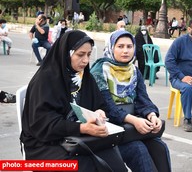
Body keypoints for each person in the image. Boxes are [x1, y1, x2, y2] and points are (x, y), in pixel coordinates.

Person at [20, 30, 127, 171]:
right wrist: (82, 128)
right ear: (66, 53)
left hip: (79, 140)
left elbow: (101, 105)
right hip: (44, 145)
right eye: (80, 55)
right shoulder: (46, 80)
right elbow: (43, 125)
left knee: (113, 162)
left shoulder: (84, 77)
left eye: (88, 55)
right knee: (87, 166)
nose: (86, 60)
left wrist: (100, 112)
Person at [91, 30, 171, 172]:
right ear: (111, 47)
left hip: (131, 127)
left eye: (129, 46)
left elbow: (143, 99)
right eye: (120, 46)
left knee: (160, 147)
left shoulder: (133, 70)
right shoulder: (100, 70)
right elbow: (107, 106)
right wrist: (134, 121)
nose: (125, 51)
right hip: (110, 129)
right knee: (138, 149)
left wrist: (152, 115)